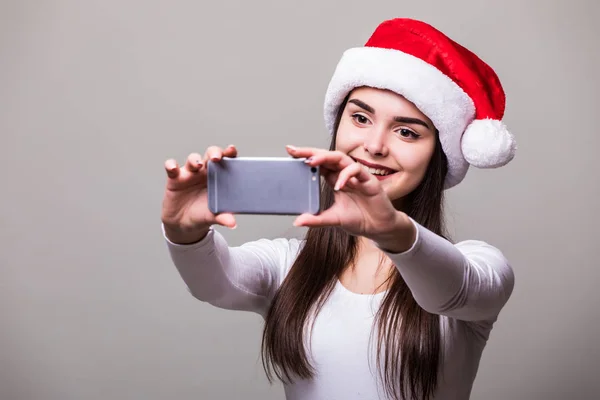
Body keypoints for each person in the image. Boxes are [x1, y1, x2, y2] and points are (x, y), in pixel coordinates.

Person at [160, 18, 517, 400]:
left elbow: (451, 290)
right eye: (360, 118)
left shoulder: (479, 266)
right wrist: (185, 232)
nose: (375, 146)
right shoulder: (288, 265)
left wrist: (390, 230)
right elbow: (214, 283)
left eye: (407, 131)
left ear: (438, 155)